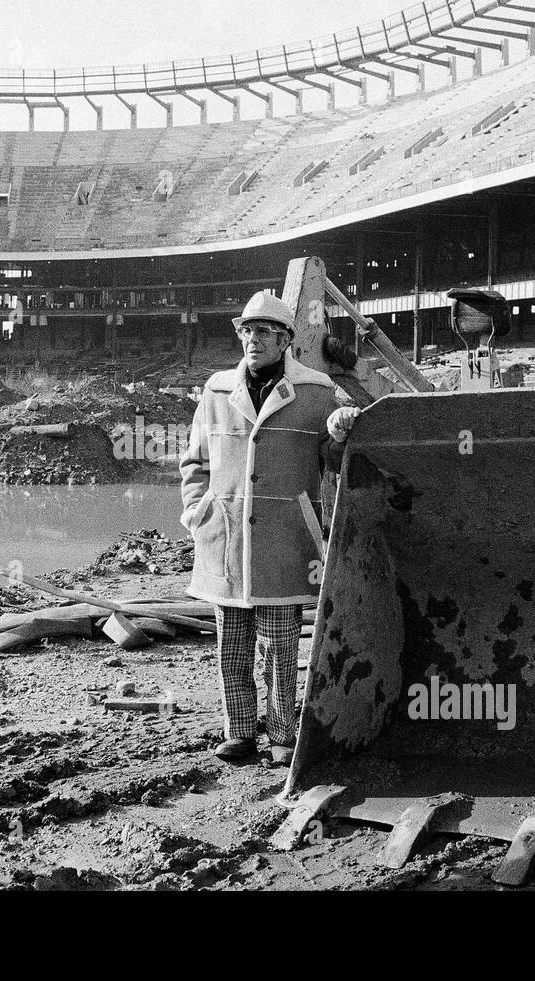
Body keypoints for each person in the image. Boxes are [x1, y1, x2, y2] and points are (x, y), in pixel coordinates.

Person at [179, 292, 360, 765]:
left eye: (263, 332)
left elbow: (340, 466)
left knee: (280, 652)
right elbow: (194, 462)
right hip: (226, 541)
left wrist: (341, 433)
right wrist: (198, 513)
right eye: (246, 331)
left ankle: (281, 738)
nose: (252, 340)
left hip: (286, 542)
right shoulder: (216, 391)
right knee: (231, 649)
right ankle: (239, 733)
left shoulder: (318, 393)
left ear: (285, 340)